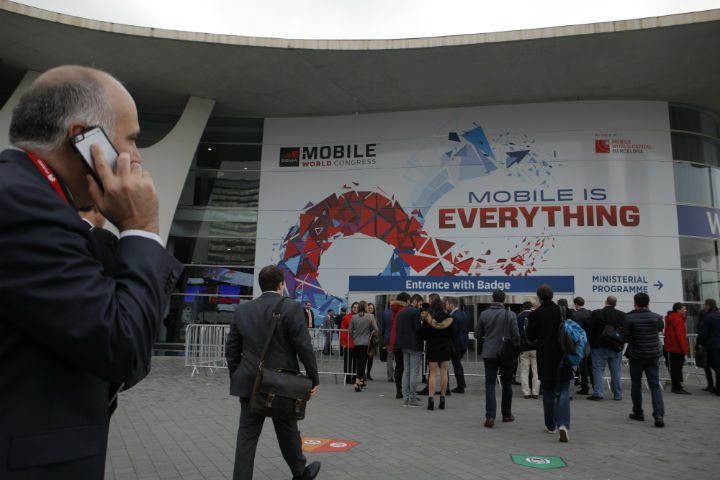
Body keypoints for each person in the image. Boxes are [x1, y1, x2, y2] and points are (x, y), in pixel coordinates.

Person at [0, 65, 183, 478]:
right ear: (83, 139)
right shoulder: (20, 204)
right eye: (131, 139)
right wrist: (141, 228)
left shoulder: (34, 199)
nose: (137, 157)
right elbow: (124, 347)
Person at [226, 265, 321, 480]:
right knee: (288, 430)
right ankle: (301, 474)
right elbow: (303, 346)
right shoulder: (291, 308)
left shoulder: (243, 311)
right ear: (281, 285)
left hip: (250, 382)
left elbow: (231, 350)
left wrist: (237, 375)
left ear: (261, 285)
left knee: (247, 437)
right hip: (283, 382)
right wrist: (313, 379)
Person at [526, 284, 572, 443]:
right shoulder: (563, 311)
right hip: (564, 356)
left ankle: (551, 425)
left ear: (539, 297)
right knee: (564, 389)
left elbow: (530, 337)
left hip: (545, 357)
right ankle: (563, 424)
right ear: (552, 295)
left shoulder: (535, 314)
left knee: (548, 391)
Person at [475, 289, 520, 427]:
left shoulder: (484, 314)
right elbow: (516, 336)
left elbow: (477, 334)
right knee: (507, 383)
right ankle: (506, 414)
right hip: (506, 354)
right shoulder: (511, 314)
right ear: (504, 299)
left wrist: (488, 336)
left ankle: (490, 416)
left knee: (490, 384)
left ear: (492, 298)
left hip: (489, 353)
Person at [625, 293, 666, 427]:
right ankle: (658, 414)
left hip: (636, 355)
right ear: (648, 303)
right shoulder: (657, 317)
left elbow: (626, 336)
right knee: (654, 385)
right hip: (653, 355)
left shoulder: (629, 318)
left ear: (635, 303)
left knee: (636, 384)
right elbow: (660, 328)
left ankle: (638, 412)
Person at [587, 296, 627, 401]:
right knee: (616, 371)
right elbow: (626, 330)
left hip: (599, 346)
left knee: (598, 369)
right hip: (615, 347)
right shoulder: (622, 315)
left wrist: (591, 342)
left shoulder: (597, 313)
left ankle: (598, 393)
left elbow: (589, 328)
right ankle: (617, 394)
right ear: (615, 303)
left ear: (606, 302)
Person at [422, 297, 455, 410]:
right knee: (444, 373)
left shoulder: (428, 319)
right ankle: (442, 400)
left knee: (432, 373)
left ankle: (431, 400)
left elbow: (424, 335)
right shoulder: (449, 319)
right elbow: (453, 334)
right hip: (445, 348)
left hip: (432, 347)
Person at [395, 294, 425, 407]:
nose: (420, 306)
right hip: (415, 345)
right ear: (415, 301)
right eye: (420, 304)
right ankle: (412, 399)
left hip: (404, 345)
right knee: (414, 373)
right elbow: (418, 329)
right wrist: (423, 323)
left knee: (406, 372)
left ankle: (406, 398)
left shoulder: (402, 312)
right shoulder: (415, 312)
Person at [349, 301, 377, 392]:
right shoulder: (370, 316)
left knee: (359, 362)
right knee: (362, 362)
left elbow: (350, 331)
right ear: (365, 307)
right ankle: (357, 382)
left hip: (356, 343)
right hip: (366, 343)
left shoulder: (354, 317)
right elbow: (376, 328)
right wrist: (371, 333)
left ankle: (361, 380)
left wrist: (355, 337)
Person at [664, 303, 690, 394]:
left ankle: (676, 386)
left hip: (671, 347)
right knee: (677, 368)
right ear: (678, 310)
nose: (685, 311)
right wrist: (685, 350)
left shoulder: (671, 318)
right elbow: (680, 337)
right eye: (683, 309)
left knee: (674, 367)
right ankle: (677, 387)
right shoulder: (678, 320)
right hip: (677, 348)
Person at [388, 293, 410, 397]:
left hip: (395, 341)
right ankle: (405, 391)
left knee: (399, 367)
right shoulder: (404, 311)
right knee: (406, 367)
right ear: (406, 300)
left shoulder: (394, 309)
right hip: (404, 341)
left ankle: (399, 391)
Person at [446, 296, 469, 394]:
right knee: (457, 363)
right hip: (464, 342)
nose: (446, 306)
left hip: (457, 344)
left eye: (447, 304)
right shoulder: (463, 314)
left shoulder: (454, 316)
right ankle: (462, 384)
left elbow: (453, 331)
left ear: (451, 304)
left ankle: (460, 386)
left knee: (456, 364)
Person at [517, 300, 540, 399]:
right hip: (535, 347)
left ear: (523, 307)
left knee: (524, 371)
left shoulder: (518, 317)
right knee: (536, 371)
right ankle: (535, 392)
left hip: (524, 347)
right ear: (531, 307)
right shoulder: (537, 315)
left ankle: (526, 392)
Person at [700, 299, 720, 397]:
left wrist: (700, 343)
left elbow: (705, 332)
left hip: (713, 345)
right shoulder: (718, 315)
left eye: (705, 305)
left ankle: (718, 388)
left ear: (708, 305)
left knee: (716, 366)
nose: (704, 306)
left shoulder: (708, 317)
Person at [573, 297, 593, 395]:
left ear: (576, 304)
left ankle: (585, 387)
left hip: (580, 343)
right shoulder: (590, 313)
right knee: (591, 365)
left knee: (583, 366)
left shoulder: (575, 315)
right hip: (590, 342)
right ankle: (595, 386)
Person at [340, 303, 358, 385]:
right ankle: (347, 378)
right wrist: (343, 343)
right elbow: (343, 330)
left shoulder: (361, 317)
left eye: (357, 307)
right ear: (351, 308)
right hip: (348, 343)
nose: (356, 309)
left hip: (358, 343)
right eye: (354, 307)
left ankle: (354, 378)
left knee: (356, 362)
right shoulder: (346, 317)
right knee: (347, 362)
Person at [366, 302, 378, 379]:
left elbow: (377, 328)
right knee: (365, 357)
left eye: (372, 308)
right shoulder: (365, 317)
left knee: (370, 358)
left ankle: (368, 373)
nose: (370, 309)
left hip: (373, 340)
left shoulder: (375, 317)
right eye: (369, 308)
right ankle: (363, 374)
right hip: (366, 339)